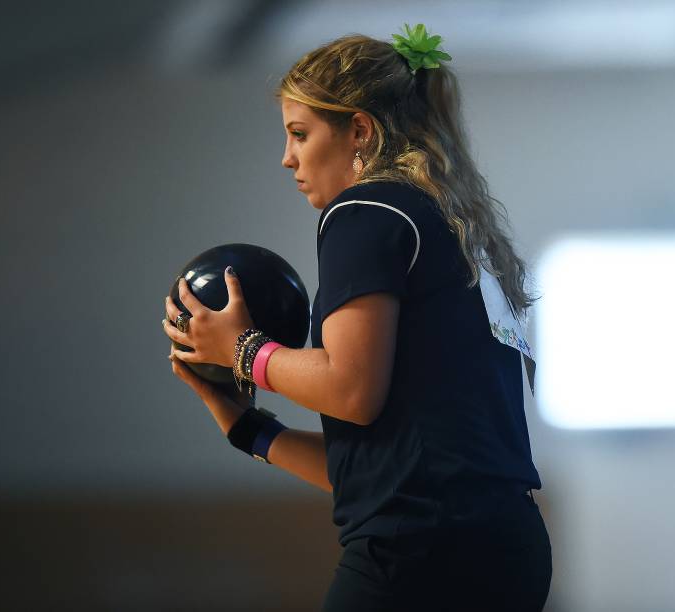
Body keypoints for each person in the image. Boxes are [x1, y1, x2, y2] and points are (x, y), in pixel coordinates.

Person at [162, 25, 552, 612]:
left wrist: (243, 348)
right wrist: (244, 426)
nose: (287, 157)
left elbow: (349, 389)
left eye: (300, 133)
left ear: (360, 131)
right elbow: (383, 477)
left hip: (424, 556)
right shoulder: (446, 222)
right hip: (502, 547)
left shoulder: (364, 211)